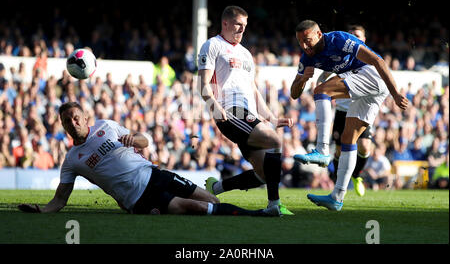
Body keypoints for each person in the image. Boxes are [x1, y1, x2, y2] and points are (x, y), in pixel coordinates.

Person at [17, 102, 280, 217]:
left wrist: (135, 140)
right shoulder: (72, 159)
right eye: (67, 121)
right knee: (196, 209)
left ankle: (247, 211)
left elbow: (144, 141)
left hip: (156, 173)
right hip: (138, 197)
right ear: (63, 127)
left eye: (76, 118)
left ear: (85, 118)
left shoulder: (107, 125)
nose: (73, 124)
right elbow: (60, 199)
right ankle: (258, 215)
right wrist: (41, 209)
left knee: (211, 200)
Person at [290, 20, 408, 211]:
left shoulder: (338, 39)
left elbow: (378, 60)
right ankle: (337, 197)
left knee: (322, 90)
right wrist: (303, 79)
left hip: (372, 75)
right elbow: (294, 94)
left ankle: (321, 150)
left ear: (319, 34)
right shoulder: (307, 57)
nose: (304, 46)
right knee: (348, 138)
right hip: (366, 87)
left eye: (307, 40)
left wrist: (395, 93)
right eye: (300, 42)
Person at [198, 6, 294, 216]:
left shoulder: (246, 54)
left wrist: (271, 117)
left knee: (263, 174)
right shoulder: (212, 45)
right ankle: (274, 205)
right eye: (238, 24)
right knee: (275, 141)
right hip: (230, 110)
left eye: (245, 26)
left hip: (247, 113)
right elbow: (203, 84)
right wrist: (214, 105)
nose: (242, 29)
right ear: (225, 23)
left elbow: (253, 91)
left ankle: (216, 188)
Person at [316, 25, 373, 197]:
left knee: (364, 146)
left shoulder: (370, 58)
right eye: (351, 35)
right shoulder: (339, 57)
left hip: (362, 109)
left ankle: (357, 176)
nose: (354, 37)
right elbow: (323, 76)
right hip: (342, 110)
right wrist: (321, 91)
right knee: (340, 151)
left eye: (357, 35)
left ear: (363, 39)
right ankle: (337, 184)